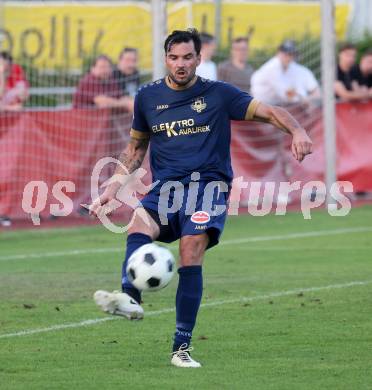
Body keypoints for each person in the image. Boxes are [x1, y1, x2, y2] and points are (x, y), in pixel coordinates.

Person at [90, 29, 312, 368]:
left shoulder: (219, 94)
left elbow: (269, 111)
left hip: (208, 188)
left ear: (199, 58)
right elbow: (136, 147)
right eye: (174, 57)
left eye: (187, 57)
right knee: (137, 222)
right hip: (166, 189)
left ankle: (181, 347)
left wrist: (297, 129)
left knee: (190, 247)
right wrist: (113, 186)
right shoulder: (147, 97)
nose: (181, 64)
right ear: (166, 59)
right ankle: (130, 298)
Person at [251, 40, 320, 105]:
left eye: (290, 54)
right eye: (285, 54)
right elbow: (286, 96)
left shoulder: (292, 67)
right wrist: (304, 99)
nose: (288, 57)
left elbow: (315, 92)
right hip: (261, 107)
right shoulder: (272, 68)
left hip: (279, 106)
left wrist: (307, 98)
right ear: (278, 53)